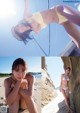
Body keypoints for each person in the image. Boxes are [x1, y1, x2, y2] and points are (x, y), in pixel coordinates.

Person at [12, 0, 80, 48]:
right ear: (22, 33)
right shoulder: (36, 31)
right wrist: (33, 26)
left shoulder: (26, 17)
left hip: (58, 10)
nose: (20, 27)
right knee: (78, 43)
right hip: (62, 22)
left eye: (18, 26)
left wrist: (30, 20)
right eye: (19, 30)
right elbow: (37, 29)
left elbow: (26, 2)